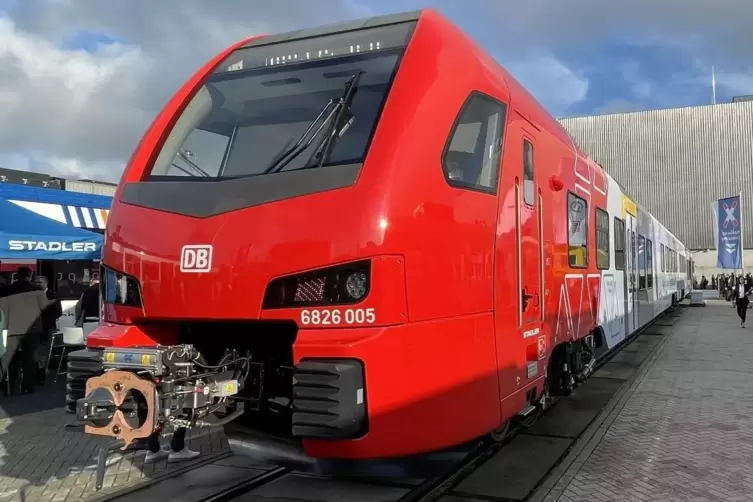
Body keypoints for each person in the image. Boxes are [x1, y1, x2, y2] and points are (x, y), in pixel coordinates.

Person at [0, 266, 50, 393]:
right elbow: (44, 307)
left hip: (12, 328)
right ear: (30, 275)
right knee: (30, 357)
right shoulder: (37, 289)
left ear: (17, 275)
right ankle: (28, 386)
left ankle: (9, 385)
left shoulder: (7, 289)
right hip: (31, 328)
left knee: (9, 358)